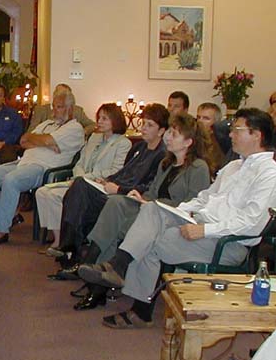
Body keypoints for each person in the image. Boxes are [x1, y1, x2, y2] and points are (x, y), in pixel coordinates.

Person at [78, 108, 276, 328]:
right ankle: (119, 268)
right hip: (200, 224)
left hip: (226, 243)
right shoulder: (234, 166)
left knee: (153, 239)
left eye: (237, 130)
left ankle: (137, 304)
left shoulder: (270, 175)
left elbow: (251, 224)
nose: (230, 134)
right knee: (153, 210)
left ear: (257, 135)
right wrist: (177, 212)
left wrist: (204, 230)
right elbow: (204, 197)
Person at [75, 114, 215, 310]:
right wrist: (140, 197)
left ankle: (98, 281)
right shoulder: (166, 163)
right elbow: (152, 192)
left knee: (118, 225)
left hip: (173, 218)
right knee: (115, 203)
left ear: (188, 142)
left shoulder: (198, 167)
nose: (168, 137)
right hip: (152, 209)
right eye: (169, 132)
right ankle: (100, 267)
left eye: (174, 134)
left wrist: (153, 203)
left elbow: (194, 204)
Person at [46, 103, 169, 272]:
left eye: (150, 125)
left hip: (126, 198)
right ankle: (71, 250)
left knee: (82, 194)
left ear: (161, 131)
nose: (144, 128)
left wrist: (118, 189)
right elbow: (123, 172)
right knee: (80, 186)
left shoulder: (162, 155)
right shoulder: (139, 147)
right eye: (143, 123)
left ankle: (70, 250)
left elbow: (149, 186)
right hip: (113, 188)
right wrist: (107, 181)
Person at [0, 90, 85, 244]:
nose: (54, 110)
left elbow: (43, 140)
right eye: (53, 106)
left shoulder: (74, 128)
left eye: (59, 107)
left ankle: (1, 229)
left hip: (43, 167)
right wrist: (45, 143)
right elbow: (23, 140)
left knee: (11, 180)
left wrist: (41, 141)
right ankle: (10, 215)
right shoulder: (47, 123)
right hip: (23, 162)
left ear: (70, 108)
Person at [35, 103, 131, 247]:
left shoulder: (123, 143)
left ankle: (63, 240)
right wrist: (79, 176)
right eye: (99, 118)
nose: (99, 121)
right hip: (80, 180)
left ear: (115, 121)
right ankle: (59, 235)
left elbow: (115, 170)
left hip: (98, 185)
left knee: (54, 195)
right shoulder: (94, 138)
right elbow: (79, 162)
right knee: (42, 192)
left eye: (104, 118)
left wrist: (87, 178)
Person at [28, 84, 97, 137]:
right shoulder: (41, 110)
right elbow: (30, 132)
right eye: (59, 93)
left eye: (65, 95)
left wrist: (82, 132)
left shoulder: (77, 111)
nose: (61, 96)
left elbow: (93, 125)